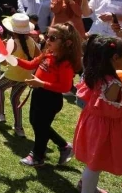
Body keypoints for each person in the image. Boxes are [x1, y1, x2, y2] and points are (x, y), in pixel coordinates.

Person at [72, 35, 122, 193]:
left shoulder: (94, 74)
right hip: (104, 127)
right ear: (115, 58)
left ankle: (86, 184)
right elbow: (113, 111)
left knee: (93, 158)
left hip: (92, 122)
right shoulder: (113, 83)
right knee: (96, 161)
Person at [17, 23, 82, 167]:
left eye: (52, 38)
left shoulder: (65, 63)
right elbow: (31, 64)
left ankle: (37, 157)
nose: (47, 40)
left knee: (41, 127)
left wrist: (41, 84)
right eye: (47, 36)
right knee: (37, 123)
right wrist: (12, 59)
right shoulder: (48, 53)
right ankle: (64, 146)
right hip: (39, 94)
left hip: (50, 99)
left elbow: (65, 87)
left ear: (67, 43)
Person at [0, 14, 41, 137]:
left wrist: (0, 51)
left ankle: (0, 113)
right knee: (15, 100)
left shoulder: (12, 42)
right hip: (25, 77)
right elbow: (38, 56)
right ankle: (19, 128)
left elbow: (3, 61)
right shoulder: (31, 41)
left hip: (12, 75)